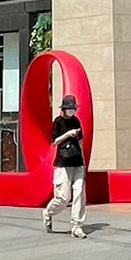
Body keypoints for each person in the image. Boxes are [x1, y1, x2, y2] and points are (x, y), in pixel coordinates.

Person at [42, 94, 86, 238]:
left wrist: (84, 162)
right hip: (63, 163)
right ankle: (48, 213)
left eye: (73, 108)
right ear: (64, 109)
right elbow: (54, 142)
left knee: (79, 193)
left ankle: (77, 225)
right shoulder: (58, 122)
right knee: (63, 197)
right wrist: (67, 134)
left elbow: (80, 142)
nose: (71, 111)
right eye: (69, 108)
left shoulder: (76, 121)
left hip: (77, 162)